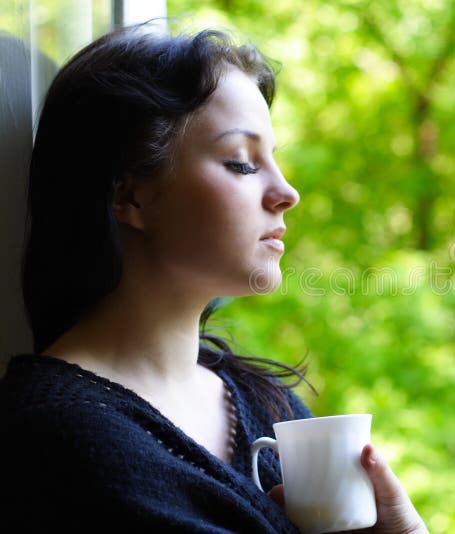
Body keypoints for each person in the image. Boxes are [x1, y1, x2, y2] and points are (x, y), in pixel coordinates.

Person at [0, 24, 427, 533]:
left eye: (275, 158)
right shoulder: (60, 436)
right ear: (131, 196)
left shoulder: (265, 403)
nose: (286, 191)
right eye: (242, 164)